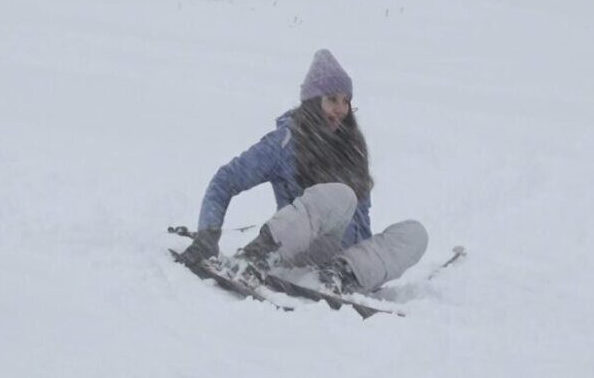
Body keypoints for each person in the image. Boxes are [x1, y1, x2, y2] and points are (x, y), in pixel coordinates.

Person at [179, 49, 428, 294]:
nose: (341, 109)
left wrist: (370, 262)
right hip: (298, 252)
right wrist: (207, 236)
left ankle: (342, 274)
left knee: (416, 233)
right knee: (342, 195)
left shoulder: (352, 148)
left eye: (346, 101)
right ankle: (256, 256)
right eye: (332, 99)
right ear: (312, 101)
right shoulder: (286, 142)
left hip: (344, 262)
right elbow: (225, 180)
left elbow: (362, 221)